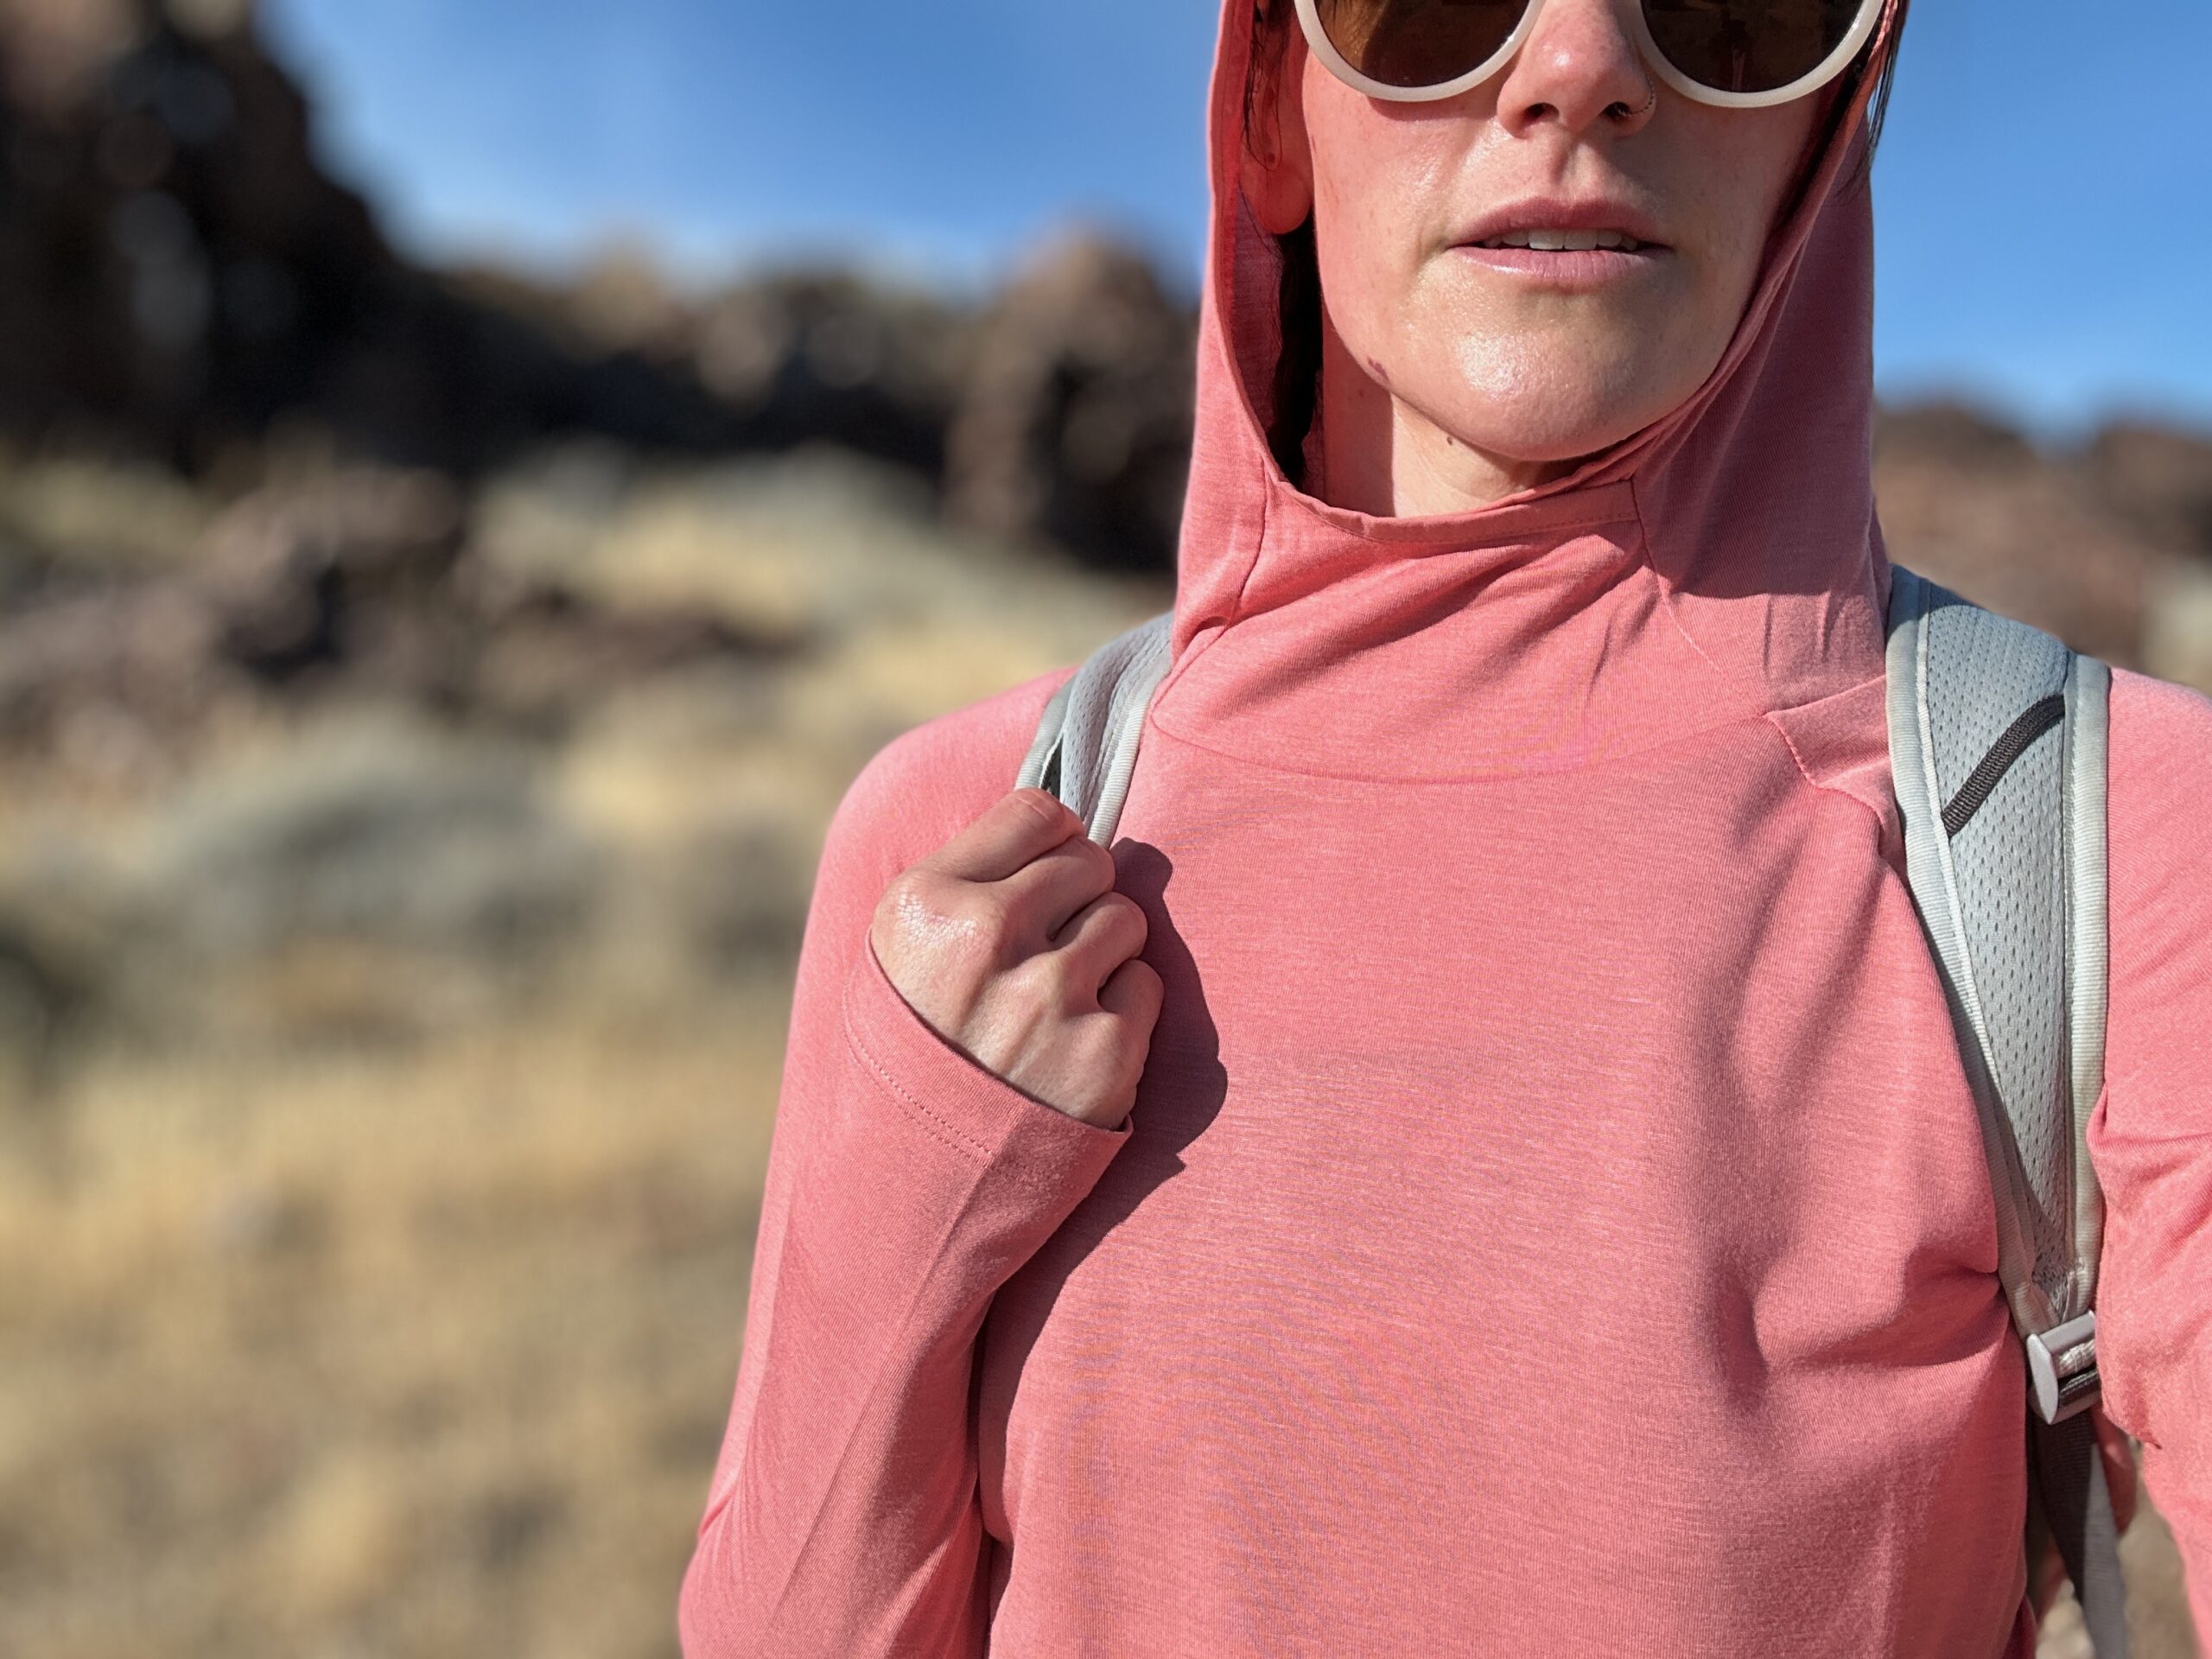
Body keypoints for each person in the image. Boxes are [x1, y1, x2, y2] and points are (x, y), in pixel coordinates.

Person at [678, 0, 2212, 1651]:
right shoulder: (965, 845)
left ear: (1837, 119)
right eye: (1432, 5)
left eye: (1731, 14)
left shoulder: (2118, 838)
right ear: (1272, 104)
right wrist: (922, 1153)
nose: (1581, 68)